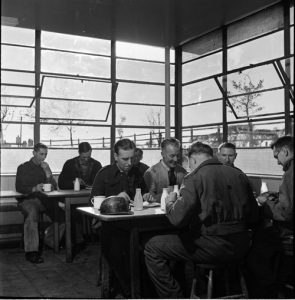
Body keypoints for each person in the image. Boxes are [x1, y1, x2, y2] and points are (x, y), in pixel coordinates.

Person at [144, 141, 259, 298]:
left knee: (152, 247)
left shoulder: (194, 177)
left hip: (212, 246)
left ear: (192, 160)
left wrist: (170, 202)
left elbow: (177, 219)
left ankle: (174, 297)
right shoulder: (239, 175)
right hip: (241, 245)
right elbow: (254, 216)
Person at [90, 138, 147, 297]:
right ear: (115, 156)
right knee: (118, 248)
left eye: (132, 158)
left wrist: (147, 196)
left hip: (133, 223)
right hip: (109, 225)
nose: (129, 163)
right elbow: (93, 201)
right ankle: (130, 291)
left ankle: (142, 288)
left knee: (146, 247)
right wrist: (116, 197)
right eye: (125, 159)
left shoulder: (137, 173)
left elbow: (143, 195)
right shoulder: (104, 173)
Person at [246, 135, 294, 298]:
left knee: (255, 246)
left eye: (277, 157)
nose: (278, 162)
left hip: (289, 233)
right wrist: (277, 195)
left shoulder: (290, 173)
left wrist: (265, 202)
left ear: (285, 151)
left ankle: (268, 291)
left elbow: (286, 213)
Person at [15, 143, 65, 264]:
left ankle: (49, 240)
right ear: (34, 153)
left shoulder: (45, 167)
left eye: (45, 154)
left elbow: (54, 187)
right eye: (41, 154)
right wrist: (34, 188)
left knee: (64, 215)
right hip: (28, 199)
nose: (43, 157)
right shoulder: (23, 167)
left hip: (44, 200)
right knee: (32, 213)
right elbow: (19, 187)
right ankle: (31, 252)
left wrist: (48, 175)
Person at [143, 138, 187, 202]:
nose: (176, 159)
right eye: (172, 156)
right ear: (162, 154)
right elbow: (148, 199)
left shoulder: (183, 172)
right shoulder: (151, 173)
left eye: (178, 155)